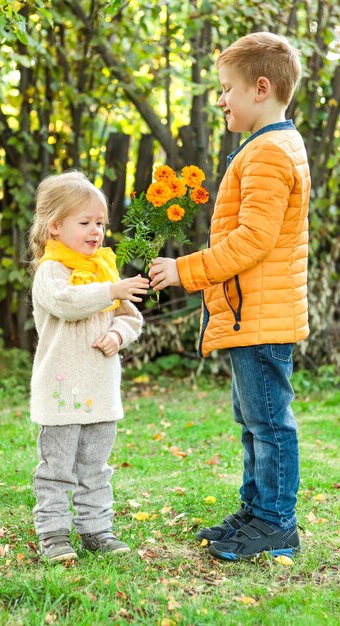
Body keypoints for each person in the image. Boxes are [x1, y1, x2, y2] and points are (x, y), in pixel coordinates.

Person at [149, 32, 310, 561]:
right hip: (253, 314)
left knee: (269, 423)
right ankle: (256, 509)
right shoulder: (269, 147)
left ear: (260, 88)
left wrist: (184, 270)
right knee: (254, 420)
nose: (221, 100)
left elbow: (251, 241)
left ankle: (275, 523)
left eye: (227, 89)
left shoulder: (267, 153)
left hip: (261, 316)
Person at [29, 170, 149, 562]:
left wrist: (118, 334)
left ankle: (97, 529)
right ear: (56, 227)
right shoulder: (51, 272)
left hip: (100, 389)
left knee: (95, 468)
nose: (96, 231)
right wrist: (111, 291)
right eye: (85, 222)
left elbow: (130, 316)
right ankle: (54, 533)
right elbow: (67, 302)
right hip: (61, 391)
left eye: (101, 223)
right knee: (57, 468)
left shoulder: (104, 268)